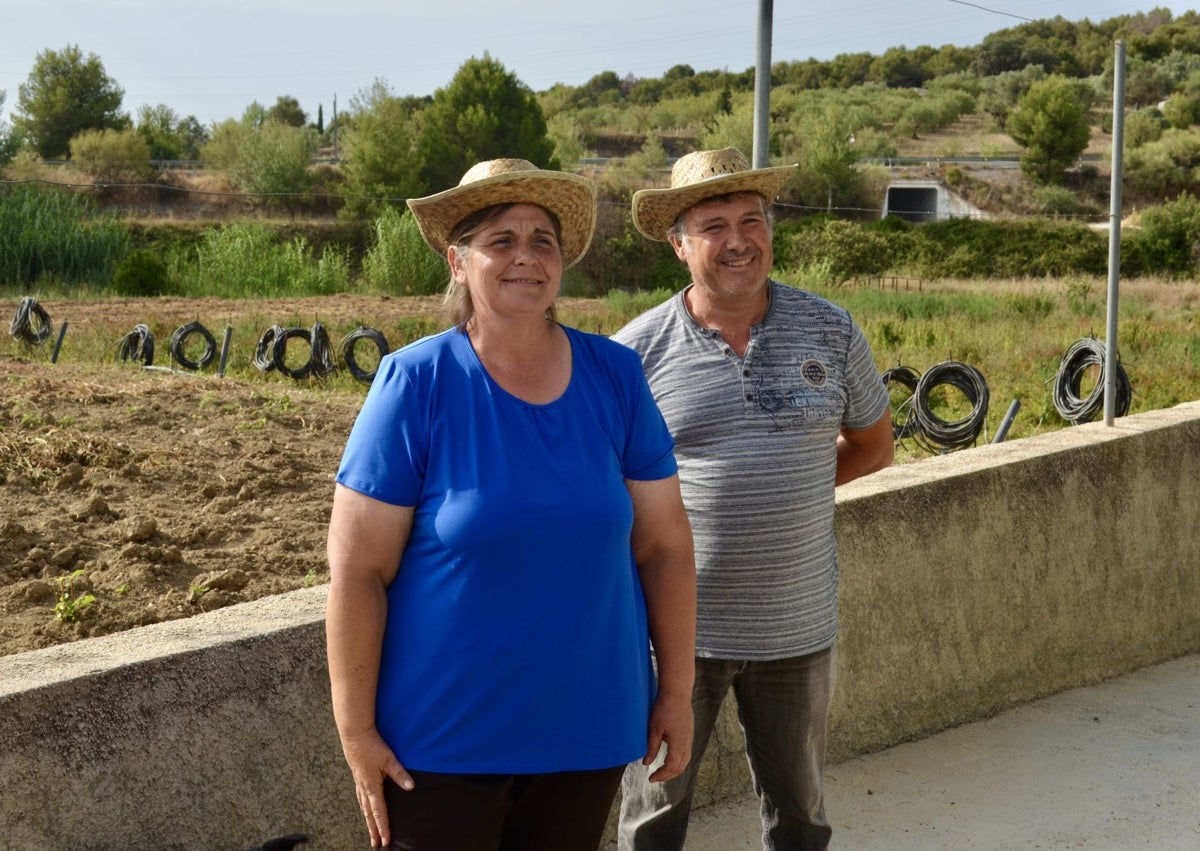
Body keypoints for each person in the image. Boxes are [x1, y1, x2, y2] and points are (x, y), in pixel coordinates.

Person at [325, 158, 696, 851]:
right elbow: (357, 570)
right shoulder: (416, 381)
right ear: (457, 260)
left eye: (543, 240)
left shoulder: (614, 375)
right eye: (501, 239)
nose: (525, 255)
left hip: (587, 731)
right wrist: (357, 732)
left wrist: (675, 690)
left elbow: (665, 544)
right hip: (440, 744)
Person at [613, 147, 895, 851]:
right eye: (713, 225)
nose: (738, 239)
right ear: (678, 244)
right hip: (673, 638)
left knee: (800, 817)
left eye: (751, 220)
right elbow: (605, 492)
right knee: (652, 817)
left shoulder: (832, 329)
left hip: (798, 630)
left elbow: (874, 444)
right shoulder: (634, 354)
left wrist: (790, 482)